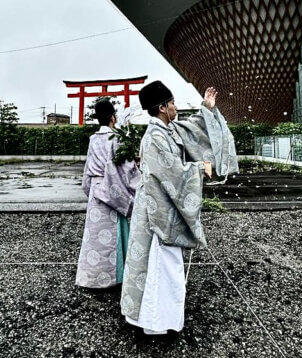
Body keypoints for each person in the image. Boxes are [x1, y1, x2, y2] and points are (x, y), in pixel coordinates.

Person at [121, 81, 238, 334]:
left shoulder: (167, 130)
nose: (175, 107)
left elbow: (194, 129)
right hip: (156, 214)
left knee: (166, 267)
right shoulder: (155, 136)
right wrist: (199, 169)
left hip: (162, 207)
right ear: (162, 107)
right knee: (158, 266)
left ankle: (162, 320)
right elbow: (171, 173)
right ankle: (154, 323)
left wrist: (206, 108)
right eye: (172, 103)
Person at [76, 98, 141, 289]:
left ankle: (91, 277)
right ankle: (116, 277)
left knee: (94, 238)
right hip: (113, 191)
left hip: (96, 191)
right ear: (113, 118)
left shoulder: (93, 139)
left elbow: (88, 170)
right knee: (115, 235)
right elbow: (126, 169)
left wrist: (89, 191)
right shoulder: (117, 138)